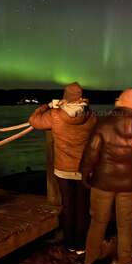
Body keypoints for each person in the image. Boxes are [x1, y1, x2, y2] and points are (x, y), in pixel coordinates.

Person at [80, 88, 132, 264]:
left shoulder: (104, 125)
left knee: (97, 222)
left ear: (120, 103)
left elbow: (91, 153)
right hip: (130, 185)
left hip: (102, 182)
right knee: (126, 225)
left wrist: (85, 174)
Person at [29, 82, 97, 253]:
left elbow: (33, 121)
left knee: (67, 206)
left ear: (65, 97)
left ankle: (70, 243)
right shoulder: (91, 115)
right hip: (84, 168)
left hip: (63, 169)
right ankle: (82, 245)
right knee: (82, 207)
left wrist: (47, 106)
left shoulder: (55, 115)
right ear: (81, 98)